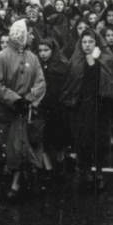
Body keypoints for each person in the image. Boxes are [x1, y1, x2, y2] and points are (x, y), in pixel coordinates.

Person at [0, 20, 47, 200]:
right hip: (7, 112)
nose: (31, 36)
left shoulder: (32, 58)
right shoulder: (0, 57)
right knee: (10, 148)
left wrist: (29, 98)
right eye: (29, 33)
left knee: (23, 147)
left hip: (26, 111)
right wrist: (15, 99)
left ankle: (17, 183)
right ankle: (15, 179)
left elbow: (41, 82)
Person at [61, 30, 113, 189]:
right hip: (81, 106)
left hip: (100, 106)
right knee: (82, 140)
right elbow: (71, 82)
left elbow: (106, 78)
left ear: (96, 43)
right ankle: (85, 171)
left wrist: (93, 60)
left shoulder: (105, 58)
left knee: (100, 140)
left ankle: (98, 172)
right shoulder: (76, 60)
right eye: (84, 42)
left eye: (90, 42)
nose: (87, 45)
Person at [36, 38, 71, 171]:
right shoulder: (38, 65)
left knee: (59, 138)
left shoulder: (61, 65)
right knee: (42, 138)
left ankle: (60, 163)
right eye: (40, 50)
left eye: (46, 50)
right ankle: (48, 167)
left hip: (58, 106)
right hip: (43, 106)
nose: (43, 53)